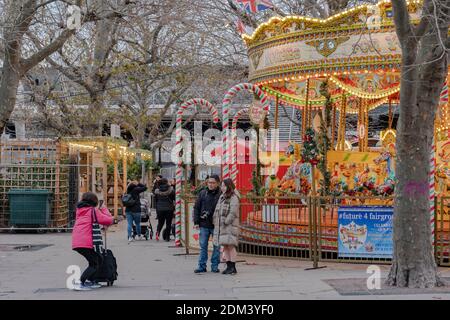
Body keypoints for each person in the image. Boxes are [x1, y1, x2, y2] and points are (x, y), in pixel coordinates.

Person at [72, 192, 113, 291]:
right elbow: (107, 220)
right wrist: (103, 208)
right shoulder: (92, 211)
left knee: (98, 260)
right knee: (95, 263)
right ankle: (80, 282)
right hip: (87, 242)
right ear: (94, 201)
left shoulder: (80, 210)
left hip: (78, 241)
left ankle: (90, 280)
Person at [193, 174, 221, 273]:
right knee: (203, 246)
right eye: (209, 182)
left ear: (217, 183)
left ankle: (214, 266)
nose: (211, 184)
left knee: (216, 246)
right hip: (204, 224)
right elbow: (196, 208)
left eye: (213, 183)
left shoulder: (221, 194)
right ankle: (201, 266)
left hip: (216, 224)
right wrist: (196, 221)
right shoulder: (202, 193)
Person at [213, 178, 240, 275]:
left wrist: (226, 221)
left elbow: (233, 212)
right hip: (222, 226)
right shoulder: (222, 197)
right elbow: (217, 209)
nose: (222, 187)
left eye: (224, 186)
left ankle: (233, 266)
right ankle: (228, 266)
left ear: (229, 186)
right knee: (225, 246)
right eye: (222, 186)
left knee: (231, 246)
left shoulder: (234, 197)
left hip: (230, 226)